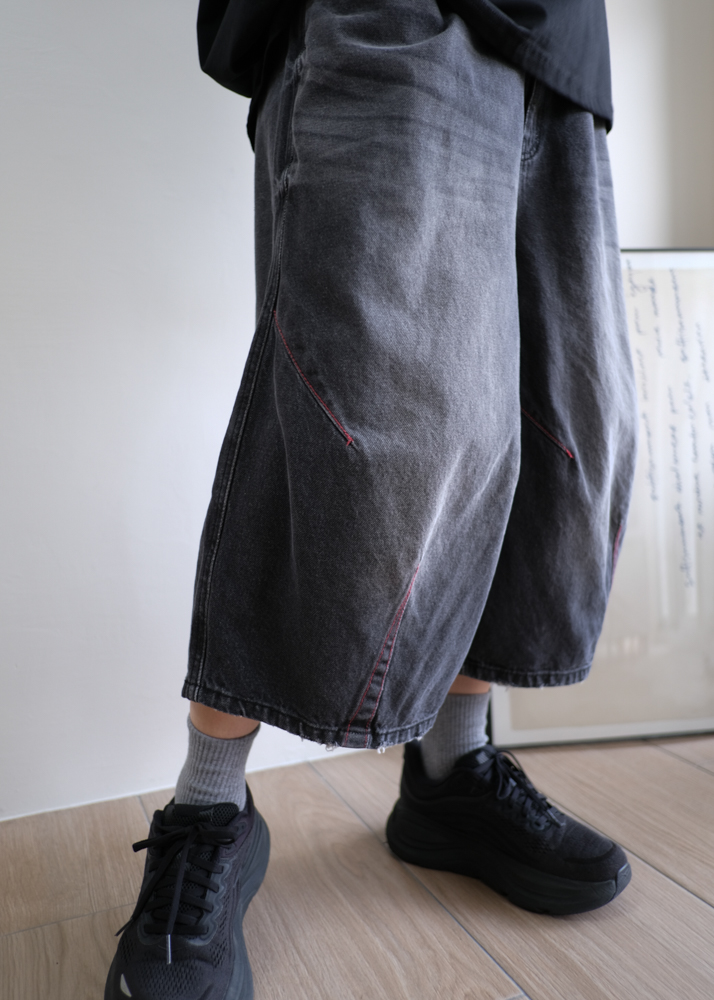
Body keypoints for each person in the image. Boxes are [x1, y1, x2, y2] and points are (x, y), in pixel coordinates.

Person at [104, 1, 638, 997]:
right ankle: (209, 810)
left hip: (563, 50)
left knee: (553, 427)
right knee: (369, 411)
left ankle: (452, 776)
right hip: (394, 14)